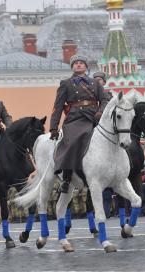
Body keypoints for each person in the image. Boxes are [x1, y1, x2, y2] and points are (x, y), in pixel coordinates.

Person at [49, 55, 108, 193]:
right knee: (72, 141)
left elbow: (104, 100)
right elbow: (58, 106)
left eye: (81, 63)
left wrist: (100, 112)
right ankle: (67, 178)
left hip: (93, 117)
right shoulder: (66, 83)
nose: (79, 65)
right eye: (76, 63)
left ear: (86, 66)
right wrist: (53, 127)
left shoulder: (95, 83)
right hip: (74, 118)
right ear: (72, 67)